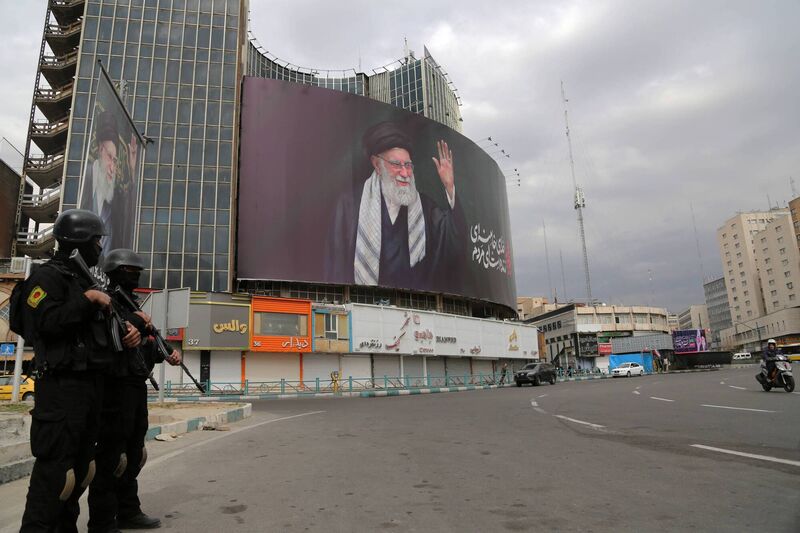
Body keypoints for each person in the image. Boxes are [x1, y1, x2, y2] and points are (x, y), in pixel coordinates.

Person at [17, 209, 141, 532]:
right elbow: (44, 322)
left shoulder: (86, 278)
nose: (100, 247)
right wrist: (87, 300)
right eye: (96, 240)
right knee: (55, 476)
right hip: (60, 392)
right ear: (79, 240)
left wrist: (129, 331)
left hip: (91, 390)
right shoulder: (47, 278)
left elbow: (103, 333)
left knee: (81, 472)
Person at [88, 249, 182, 532]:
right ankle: (102, 522)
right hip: (113, 388)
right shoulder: (106, 301)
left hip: (134, 386)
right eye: (130, 270)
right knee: (111, 456)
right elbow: (111, 343)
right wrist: (140, 322)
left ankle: (128, 510)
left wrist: (164, 352)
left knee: (133, 451)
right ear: (116, 271)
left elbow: (138, 349)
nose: (136, 274)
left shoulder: (132, 302)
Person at [326, 121, 466, 292]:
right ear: (377, 165)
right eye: (396, 165)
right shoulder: (349, 206)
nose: (405, 173)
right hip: (363, 304)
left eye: (408, 165)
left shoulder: (426, 208)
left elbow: (454, 240)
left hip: (415, 307)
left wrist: (449, 187)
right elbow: (336, 266)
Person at [79, 111, 139, 252]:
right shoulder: (85, 178)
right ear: (100, 149)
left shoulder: (114, 196)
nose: (112, 167)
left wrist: (131, 171)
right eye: (109, 157)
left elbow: (127, 220)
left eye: (115, 160)